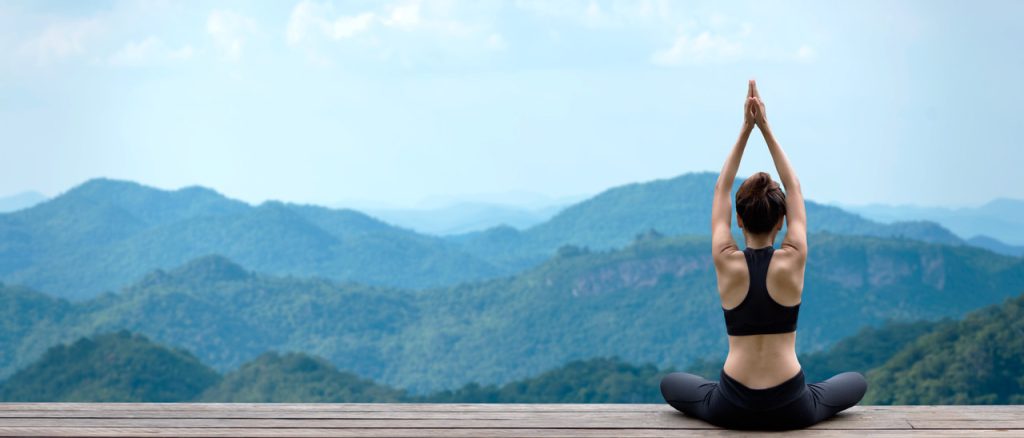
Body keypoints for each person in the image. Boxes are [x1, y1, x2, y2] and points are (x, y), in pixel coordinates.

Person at [659, 80, 867, 430]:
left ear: (738, 220)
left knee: (671, 383)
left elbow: (720, 189)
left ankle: (722, 395)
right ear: (782, 220)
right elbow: (795, 187)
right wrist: (765, 128)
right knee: (855, 381)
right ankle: (810, 395)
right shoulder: (793, 256)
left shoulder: (726, 259)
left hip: (730, 404)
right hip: (792, 406)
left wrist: (745, 129)